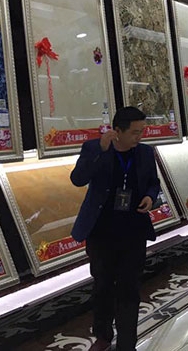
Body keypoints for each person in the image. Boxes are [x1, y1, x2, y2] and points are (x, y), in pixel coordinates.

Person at [70, 107, 160, 351]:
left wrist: (151, 197)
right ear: (117, 131)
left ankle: (127, 344)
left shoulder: (145, 152)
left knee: (130, 289)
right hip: (101, 233)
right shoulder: (95, 148)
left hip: (133, 232)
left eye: (142, 131)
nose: (139, 137)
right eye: (134, 132)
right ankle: (103, 336)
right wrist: (100, 150)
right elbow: (77, 179)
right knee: (103, 287)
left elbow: (153, 183)